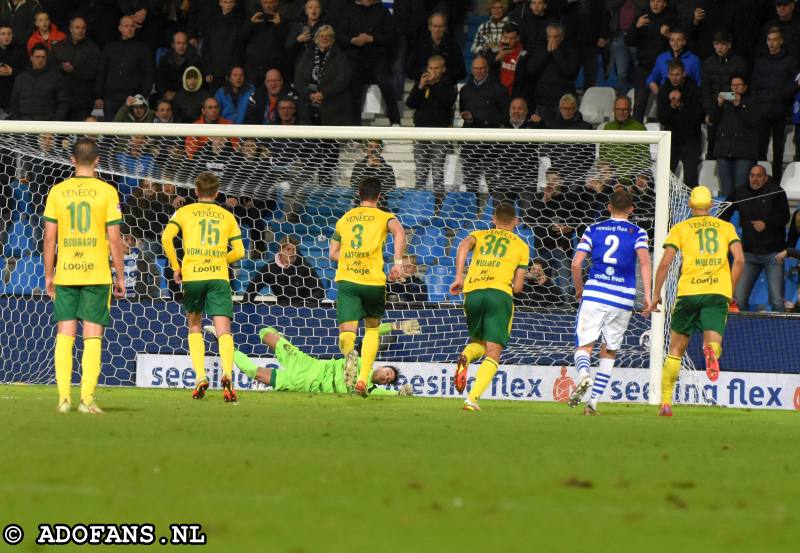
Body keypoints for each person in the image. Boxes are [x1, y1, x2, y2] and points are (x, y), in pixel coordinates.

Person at [42, 137, 126, 414]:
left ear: (72, 160)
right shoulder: (107, 191)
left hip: (66, 272)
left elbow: (49, 238)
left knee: (65, 334)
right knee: (92, 336)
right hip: (97, 273)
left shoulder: (57, 191)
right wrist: (121, 276)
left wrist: (48, 275)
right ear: (98, 161)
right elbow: (115, 240)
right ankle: (87, 400)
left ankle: (63, 399)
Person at [649, 186, 744, 416]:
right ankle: (711, 351)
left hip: (688, 292)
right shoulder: (726, 227)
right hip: (716, 291)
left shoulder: (680, 228)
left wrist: (656, 294)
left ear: (690, 206)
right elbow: (740, 260)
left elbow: (664, 264)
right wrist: (729, 290)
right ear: (711, 205)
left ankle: (665, 403)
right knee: (713, 341)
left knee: (674, 351)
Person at [161, 171, 246, 402]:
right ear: (217, 193)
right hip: (218, 276)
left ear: (196, 191)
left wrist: (175, 265)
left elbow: (166, 238)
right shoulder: (226, 215)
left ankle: (200, 376)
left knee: (195, 325)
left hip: (193, 275)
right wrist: (220, 259)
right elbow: (240, 251)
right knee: (223, 329)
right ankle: (227, 374)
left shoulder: (184, 211)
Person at [568, 189, 652, 415]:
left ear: (608, 207)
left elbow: (576, 264)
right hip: (623, 297)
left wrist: (579, 289)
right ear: (631, 209)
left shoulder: (593, 229)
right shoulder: (638, 232)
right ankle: (592, 403)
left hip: (595, 292)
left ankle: (585, 376)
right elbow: (644, 262)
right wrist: (648, 295)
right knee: (610, 350)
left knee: (585, 345)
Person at [329, 176, 406, 398]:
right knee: (372, 329)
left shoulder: (345, 219)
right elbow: (399, 232)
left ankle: (350, 354)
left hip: (349, 281)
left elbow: (333, 253)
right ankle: (362, 379)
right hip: (373, 281)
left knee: (347, 334)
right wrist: (398, 263)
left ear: (359, 195)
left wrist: (353, 256)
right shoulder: (384, 216)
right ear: (379, 197)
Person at [449, 202, 529, 411]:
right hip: (498, 294)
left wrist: (459, 276)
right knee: (493, 352)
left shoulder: (480, 234)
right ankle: (472, 399)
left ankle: (466, 356)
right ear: (516, 222)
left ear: (493, 220)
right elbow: (519, 287)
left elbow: (464, 244)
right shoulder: (521, 245)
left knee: (478, 341)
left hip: (472, 293)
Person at [204, 325, 416, 396]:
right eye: (388, 372)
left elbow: (394, 395)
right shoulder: (361, 359)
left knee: (254, 372)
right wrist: (398, 325)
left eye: (388, 379)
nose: (387, 377)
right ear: (381, 366)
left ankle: (221, 340)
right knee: (265, 333)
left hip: (303, 384)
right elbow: (373, 331)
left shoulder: (370, 389)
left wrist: (401, 393)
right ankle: (225, 340)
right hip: (308, 364)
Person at [719, 164, 790, 312]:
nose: (755, 179)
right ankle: (742, 330)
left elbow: (785, 217)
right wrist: (724, 228)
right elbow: (725, 209)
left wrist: (766, 223)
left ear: (765, 178)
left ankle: (779, 332)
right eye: (752, 175)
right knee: (738, 298)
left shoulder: (777, 192)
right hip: (749, 254)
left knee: (776, 299)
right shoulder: (741, 191)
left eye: (759, 176)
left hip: (773, 255)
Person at [406, 54, 457, 197]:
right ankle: (419, 205)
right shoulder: (421, 83)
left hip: (439, 134)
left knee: (437, 172)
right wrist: (420, 87)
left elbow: (447, 102)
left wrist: (435, 85)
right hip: (420, 132)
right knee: (421, 172)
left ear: (443, 69)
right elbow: (410, 103)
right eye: (430, 68)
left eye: (436, 68)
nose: (432, 71)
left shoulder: (448, 85)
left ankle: (438, 208)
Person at [752, 27, 797, 184]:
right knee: (760, 149)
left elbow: (795, 83)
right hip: (762, 111)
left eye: (775, 40)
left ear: (781, 41)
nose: (772, 43)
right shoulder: (760, 60)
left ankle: (776, 183)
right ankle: (760, 180)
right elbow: (754, 84)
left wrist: (784, 95)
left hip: (780, 111)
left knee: (778, 151)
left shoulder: (790, 61)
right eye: (769, 40)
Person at [459, 55, 508, 195]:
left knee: (493, 184)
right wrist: (468, 118)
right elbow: (463, 111)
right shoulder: (465, 90)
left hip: (491, 145)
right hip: (470, 145)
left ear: (487, 69)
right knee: (470, 184)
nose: (478, 71)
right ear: (471, 69)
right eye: (475, 68)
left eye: (481, 68)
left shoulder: (499, 89)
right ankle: (471, 214)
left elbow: (505, 116)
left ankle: (494, 214)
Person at [93, 15, 154, 122]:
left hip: (134, 98)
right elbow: (102, 72)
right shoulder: (110, 47)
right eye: (126, 26)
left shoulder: (143, 49)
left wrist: (143, 96)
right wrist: (98, 96)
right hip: (111, 97)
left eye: (132, 26)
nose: (129, 29)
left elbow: (149, 74)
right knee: (109, 132)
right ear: (120, 28)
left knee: (131, 133)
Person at [709, 74, 759, 198]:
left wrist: (740, 106)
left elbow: (752, 122)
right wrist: (718, 105)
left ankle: (740, 217)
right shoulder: (724, 103)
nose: (735, 88)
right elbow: (712, 120)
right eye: (733, 85)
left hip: (744, 152)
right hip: (724, 151)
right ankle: (727, 216)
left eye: (738, 85)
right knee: (726, 191)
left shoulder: (752, 102)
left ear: (745, 87)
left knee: (740, 189)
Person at [657, 58, 704, 187]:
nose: (674, 78)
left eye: (677, 74)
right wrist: (672, 106)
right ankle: (666, 205)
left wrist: (680, 105)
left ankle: (691, 205)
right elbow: (661, 117)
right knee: (666, 177)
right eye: (671, 74)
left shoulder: (693, 89)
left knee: (690, 178)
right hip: (671, 140)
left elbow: (697, 117)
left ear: (684, 73)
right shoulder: (664, 90)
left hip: (690, 140)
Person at [245, 235, 325, 303]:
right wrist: (246, 305)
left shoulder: (304, 266)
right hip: (281, 310)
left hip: (303, 309)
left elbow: (319, 290)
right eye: (288, 249)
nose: (291, 252)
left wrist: (307, 304)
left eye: (294, 250)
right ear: (280, 251)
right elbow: (253, 286)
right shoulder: (270, 267)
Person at [52, 16, 101, 121]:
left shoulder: (93, 49)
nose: (80, 31)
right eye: (77, 27)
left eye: (83, 28)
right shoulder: (59, 47)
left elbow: (93, 73)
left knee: (81, 135)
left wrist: (73, 70)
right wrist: (62, 67)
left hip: (83, 100)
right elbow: (51, 67)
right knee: (59, 134)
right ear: (70, 28)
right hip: (60, 99)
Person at [9, 42, 68, 120]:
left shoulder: (56, 77)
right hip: (24, 125)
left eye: (43, 57)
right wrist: (18, 122)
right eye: (37, 57)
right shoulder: (21, 77)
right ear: (31, 57)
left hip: (47, 125)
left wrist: (54, 123)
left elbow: (63, 102)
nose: (40, 60)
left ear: (47, 58)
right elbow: (14, 103)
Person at [241, 0, 288, 86]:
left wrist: (279, 25)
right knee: (252, 94)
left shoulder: (283, 20)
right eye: (265, 2)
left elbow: (285, 42)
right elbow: (241, 39)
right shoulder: (253, 18)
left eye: (271, 2)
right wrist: (250, 24)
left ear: (276, 3)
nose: (268, 5)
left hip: (273, 65)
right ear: (261, 3)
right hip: (253, 65)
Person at [0, 24, 26, 116]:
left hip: (13, 100)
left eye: (9, 34)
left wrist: (12, 72)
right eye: (3, 34)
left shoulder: (20, 52)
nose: (6, 37)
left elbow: (27, 75)